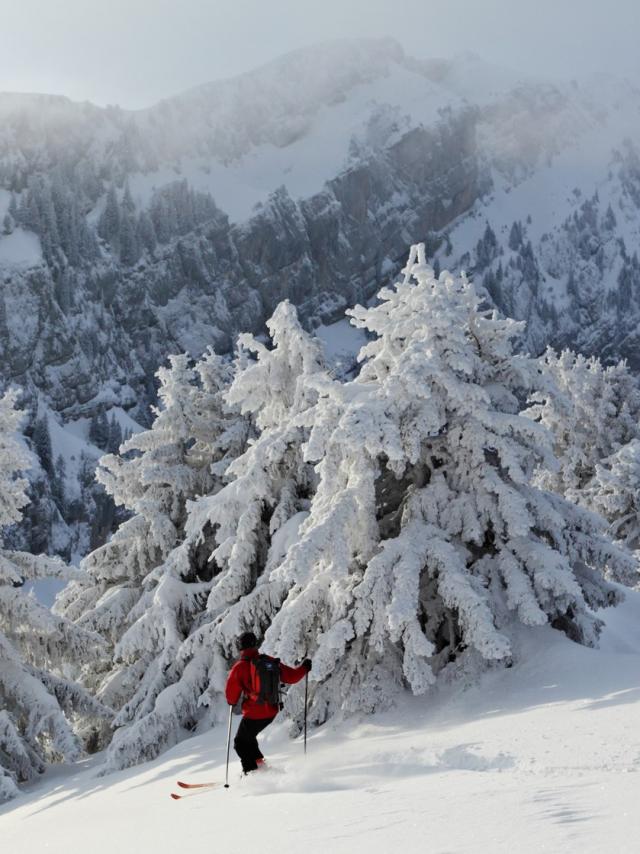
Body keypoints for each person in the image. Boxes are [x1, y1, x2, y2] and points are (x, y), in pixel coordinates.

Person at [225, 631, 311, 774]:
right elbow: (292, 677)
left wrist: (232, 702)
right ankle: (259, 766)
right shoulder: (269, 662)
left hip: (254, 713)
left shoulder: (239, 667)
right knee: (248, 738)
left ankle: (251, 773)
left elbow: (231, 695)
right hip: (271, 711)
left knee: (240, 743)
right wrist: (305, 668)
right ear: (255, 644)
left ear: (240, 647)